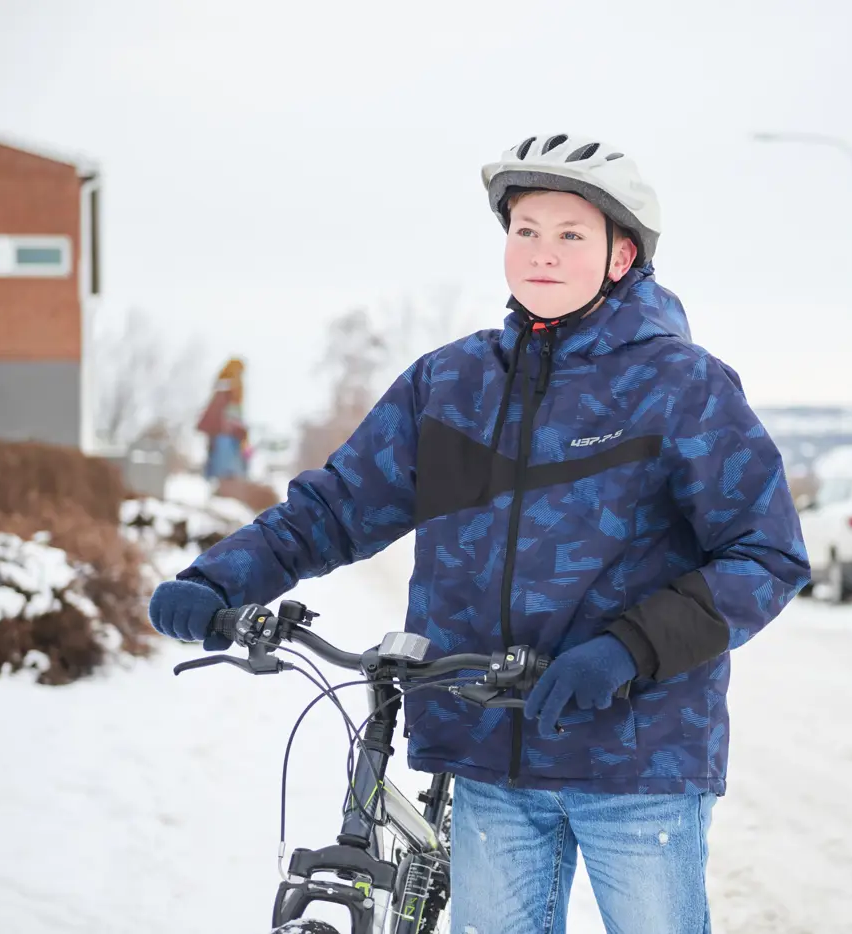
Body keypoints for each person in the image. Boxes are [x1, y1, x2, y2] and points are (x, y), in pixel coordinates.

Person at [148, 133, 810, 933]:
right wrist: (221, 580)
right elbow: (336, 506)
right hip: (488, 755)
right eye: (526, 229)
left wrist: (626, 650)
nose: (542, 252)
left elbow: (766, 555)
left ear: (621, 255)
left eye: (572, 234)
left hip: (639, 762)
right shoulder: (452, 384)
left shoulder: (682, 386)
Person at [196, 357, 249, 480]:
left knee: (226, 464)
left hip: (229, 433)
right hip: (225, 433)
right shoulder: (226, 386)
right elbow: (221, 412)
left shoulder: (229, 387)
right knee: (224, 467)